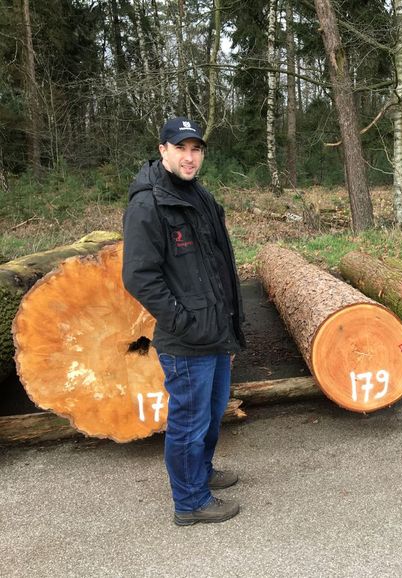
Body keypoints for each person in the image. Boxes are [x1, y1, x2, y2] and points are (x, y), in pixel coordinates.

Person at [122, 116, 246, 526]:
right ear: (163, 151)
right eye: (181, 149)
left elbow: (219, 266)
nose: (190, 157)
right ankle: (190, 502)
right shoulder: (149, 203)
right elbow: (139, 276)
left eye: (196, 149)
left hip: (216, 331)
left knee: (211, 417)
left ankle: (202, 473)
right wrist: (183, 321)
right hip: (187, 338)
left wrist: (229, 328)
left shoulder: (200, 196)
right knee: (188, 425)